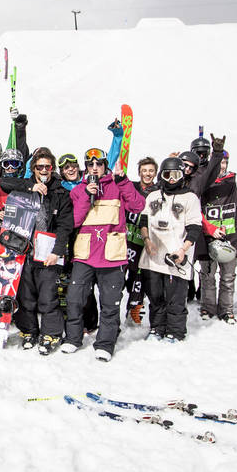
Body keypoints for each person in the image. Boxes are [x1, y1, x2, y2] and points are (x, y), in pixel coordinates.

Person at [62, 147, 145, 359]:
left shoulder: (117, 185)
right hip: (85, 254)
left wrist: (124, 181)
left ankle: (105, 344)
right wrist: (85, 196)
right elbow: (75, 221)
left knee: (110, 302)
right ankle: (72, 338)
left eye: (99, 164)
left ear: (105, 166)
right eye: (91, 164)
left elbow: (138, 205)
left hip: (112, 255)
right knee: (74, 299)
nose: (95, 168)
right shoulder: (78, 190)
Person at [0, 147, 74, 354]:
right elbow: (4, 182)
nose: (44, 170)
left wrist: (57, 251)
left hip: (47, 253)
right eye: (39, 167)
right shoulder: (25, 186)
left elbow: (65, 226)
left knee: (48, 296)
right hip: (24, 251)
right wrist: (31, 187)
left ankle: (50, 333)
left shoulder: (60, 192)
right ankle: (28, 330)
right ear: (34, 169)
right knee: (26, 296)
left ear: (52, 168)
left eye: (47, 167)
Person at [138, 157, 202, 341]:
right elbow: (143, 220)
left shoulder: (190, 197)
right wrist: (147, 240)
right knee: (155, 295)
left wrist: (184, 249)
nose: (171, 179)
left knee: (175, 297)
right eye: (167, 175)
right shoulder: (153, 196)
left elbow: (194, 227)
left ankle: (175, 331)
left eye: (176, 175)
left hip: (177, 254)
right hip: (153, 254)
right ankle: (157, 328)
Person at [197, 150, 237, 323]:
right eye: (219, 163)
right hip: (208, 239)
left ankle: (226, 310)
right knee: (207, 276)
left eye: (224, 163)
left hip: (230, 240)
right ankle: (208, 307)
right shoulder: (203, 185)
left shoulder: (236, 182)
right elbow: (195, 211)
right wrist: (210, 229)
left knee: (228, 277)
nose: (222, 166)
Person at [123, 157, 158, 325]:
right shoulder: (132, 187)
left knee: (139, 278)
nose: (147, 174)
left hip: (144, 240)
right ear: (139, 172)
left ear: (156, 172)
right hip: (126, 239)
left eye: (151, 170)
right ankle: (113, 307)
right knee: (120, 275)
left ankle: (134, 309)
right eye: (144, 170)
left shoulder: (159, 191)